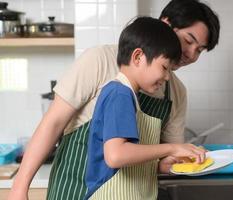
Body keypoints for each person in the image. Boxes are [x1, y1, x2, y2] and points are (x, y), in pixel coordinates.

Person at [8, 0, 220, 199]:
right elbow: (53, 123)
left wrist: (181, 160)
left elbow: (161, 159)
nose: (191, 54)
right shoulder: (100, 61)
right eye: (189, 40)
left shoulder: (176, 92)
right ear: (165, 24)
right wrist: (19, 187)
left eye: (200, 50)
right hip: (74, 189)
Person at [84, 16, 206, 200]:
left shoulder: (128, 96)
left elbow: (127, 161)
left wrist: (159, 166)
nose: (167, 77)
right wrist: (171, 148)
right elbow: (116, 156)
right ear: (138, 57)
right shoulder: (119, 94)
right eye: (164, 67)